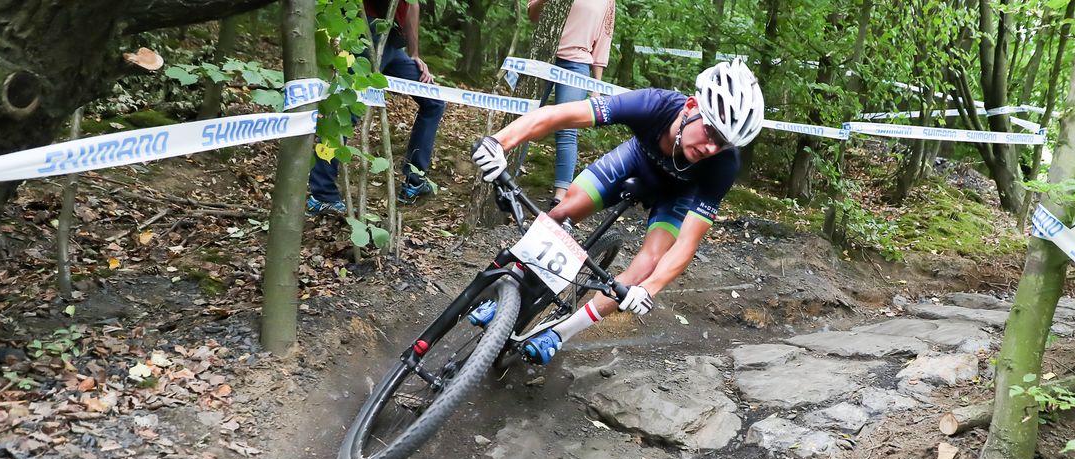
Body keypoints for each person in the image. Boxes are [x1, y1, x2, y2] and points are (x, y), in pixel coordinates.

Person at [472, 60, 764, 364]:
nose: (710, 148)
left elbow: (687, 244)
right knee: (563, 212)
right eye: (709, 132)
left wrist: (648, 290)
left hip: (675, 197)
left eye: (722, 143)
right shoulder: (653, 104)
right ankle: (508, 288)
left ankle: (559, 334)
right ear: (690, 106)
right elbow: (561, 115)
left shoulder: (724, 165)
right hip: (635, 161)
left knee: (645, 267)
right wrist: (499, 142)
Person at [306, 0, 446, 215]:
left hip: (390, 38)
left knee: (433, 101)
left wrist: (414, 54)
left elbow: (412, 5)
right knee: (345, 110)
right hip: (365, 29)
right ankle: (322, 196)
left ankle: (415, 180)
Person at [526, 0, 615, 207]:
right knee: (526, 118)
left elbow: (604, 39)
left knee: (567, 128)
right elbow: (532, 14)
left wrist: (596, 86)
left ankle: (560, 196)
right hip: (543, 56)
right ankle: (506, 183)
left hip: (577, 64)